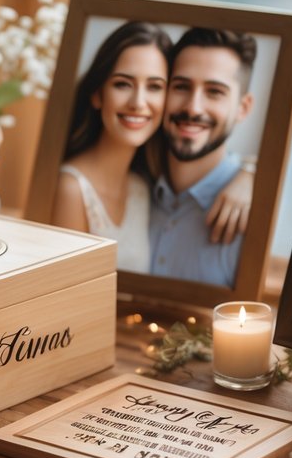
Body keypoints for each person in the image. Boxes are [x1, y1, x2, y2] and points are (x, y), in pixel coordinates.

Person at [53, 21, 252, 274]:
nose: (138, 102)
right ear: (97, 93)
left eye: (155, 87)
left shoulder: (142, 186)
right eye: (123, 84)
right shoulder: (71, 188)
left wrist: (250, 174)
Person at [149, 27, 257, 287]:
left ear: (242, 108)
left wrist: (255, 176)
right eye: (181, 87)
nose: (193, 108)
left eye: (214, 92)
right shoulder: (135, 179)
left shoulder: (256, 211)